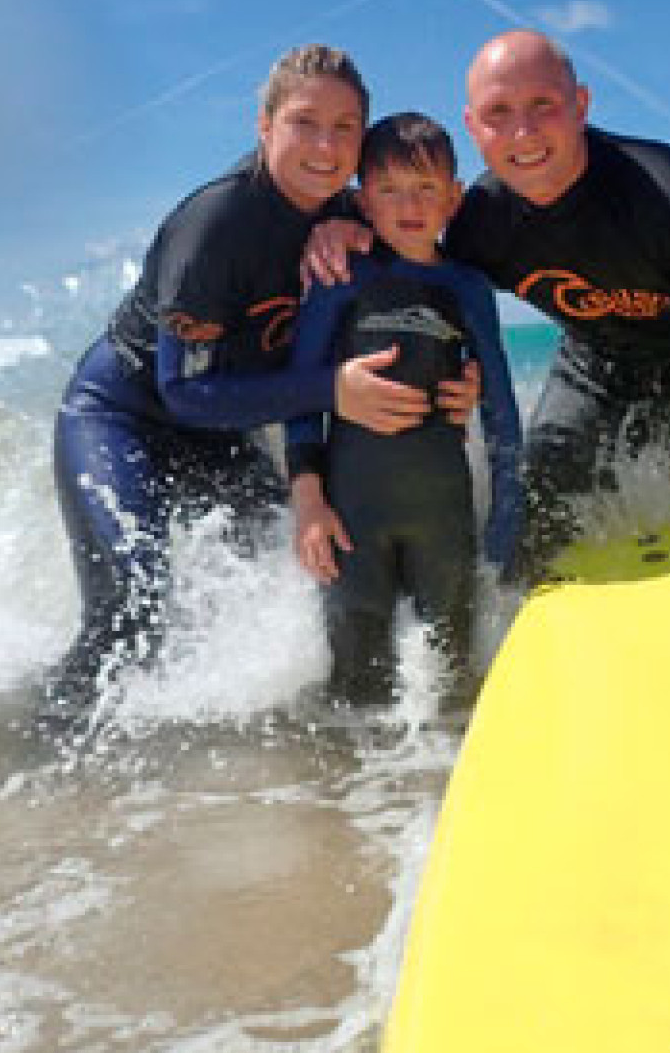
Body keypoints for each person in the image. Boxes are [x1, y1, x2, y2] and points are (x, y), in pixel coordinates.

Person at [306, 29, 670, 602]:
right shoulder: (481, 223)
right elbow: (410, 244)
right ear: (474, 127)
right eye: (499, 113)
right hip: (597, 371)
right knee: (533, 532)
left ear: (581, 105)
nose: (523, 133)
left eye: (542, 105)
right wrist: (343, 223)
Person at [45, 44, 479, 713]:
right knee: (132, 605)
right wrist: (332, 390)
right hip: (124, 414)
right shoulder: (215, 226)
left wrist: (464, 376)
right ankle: (53, 738)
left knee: (292, 572)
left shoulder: (359, 212)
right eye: (304, 123)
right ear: (264, 125)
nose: (325, 146)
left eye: (344, 128)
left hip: (223, 432)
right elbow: (183, 392)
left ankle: (257, 743)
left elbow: (433, 286)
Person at [285, 112, 523, 710]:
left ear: (453, 198)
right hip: (352, 517)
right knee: (355, 687)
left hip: (443, 514)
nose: (409, 204)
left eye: (425, 187)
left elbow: (499, 405)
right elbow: (301, 395)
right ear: (363, 201)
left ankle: (446, 770)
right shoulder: (340, 277)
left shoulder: (468, 287)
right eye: (389, 189)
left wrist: (507, 515)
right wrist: (309, 502)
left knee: (454, 680)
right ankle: (341, 774)